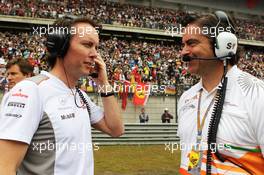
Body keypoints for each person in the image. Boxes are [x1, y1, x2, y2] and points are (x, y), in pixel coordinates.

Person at [0, 17, 124, 175]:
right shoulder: (29, 91)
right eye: (87, 45)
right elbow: (4, 167)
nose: (95, 55)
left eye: (96, 47)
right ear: (60, 46)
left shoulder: (80, 95)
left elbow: (116, 129)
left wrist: (103, 83)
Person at [177, 11, 264, 175]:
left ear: (222, 45)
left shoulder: (257, 94)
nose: (183, 52)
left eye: (192, 43)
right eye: (183, 45)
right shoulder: (186, 98)